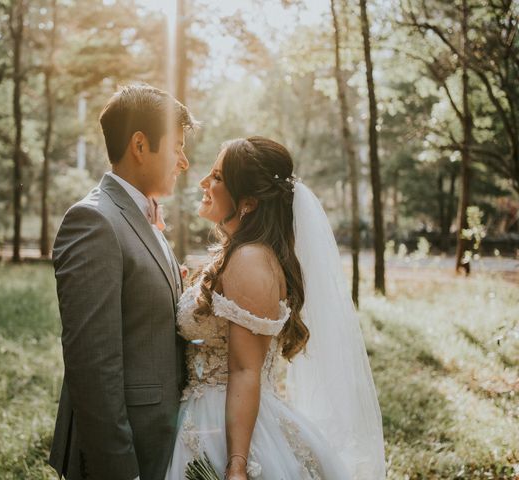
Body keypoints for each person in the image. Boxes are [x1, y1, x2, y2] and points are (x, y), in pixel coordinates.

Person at [165, 137, 386, 479]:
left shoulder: (251, 259)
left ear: (249, 202)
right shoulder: (240, 253)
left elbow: (244, 371)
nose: (204, 183)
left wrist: (237, 464)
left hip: (226, 427)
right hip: (203, 414)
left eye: (218, 177)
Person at [49, 84, 196, 480]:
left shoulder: (141, 216)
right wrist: (118, 469)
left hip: (161, 439)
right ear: (140, 144)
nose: (183, 162)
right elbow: (93, 366)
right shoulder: (94, 221)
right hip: (124, 451)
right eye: (177, 146)